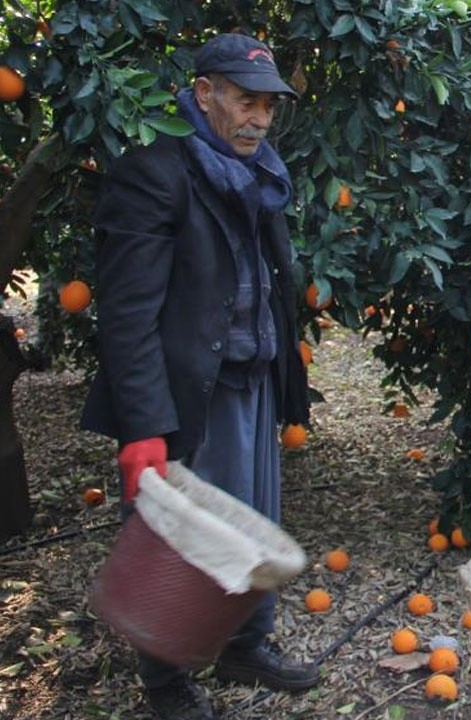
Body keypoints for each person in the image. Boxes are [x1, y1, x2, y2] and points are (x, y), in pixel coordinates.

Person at [80, 33, 316, 720]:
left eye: (269, 107)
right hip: (190, 390)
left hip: (251, 376)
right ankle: (168, 681)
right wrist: (146, 426)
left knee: (251, 526)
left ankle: (247, 644)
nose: (260, 120)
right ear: (204, 93)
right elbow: (127, 315)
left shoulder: (260, 171)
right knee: (180, 539)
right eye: (247, 102)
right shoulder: (155, 174)